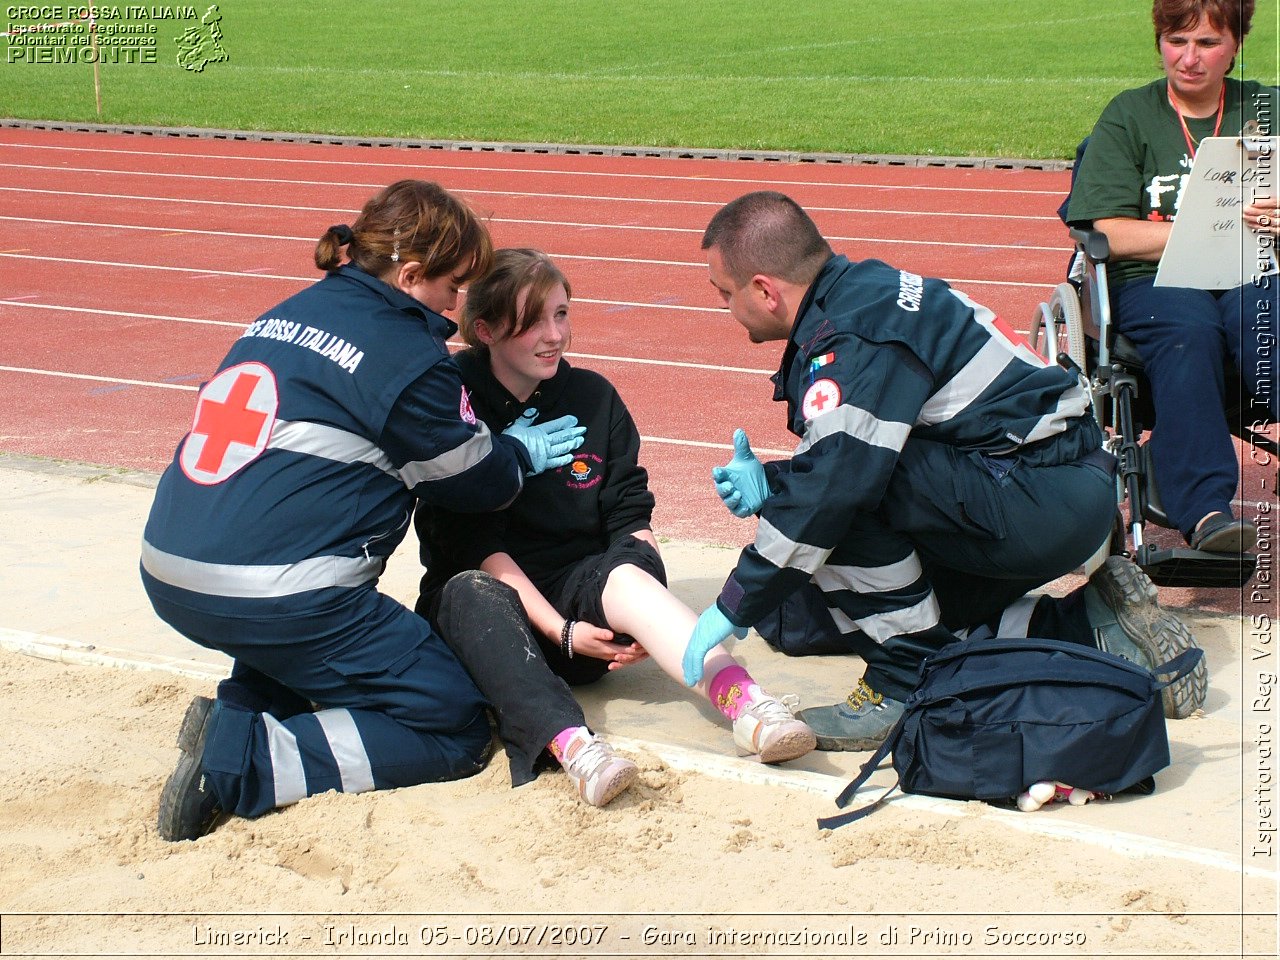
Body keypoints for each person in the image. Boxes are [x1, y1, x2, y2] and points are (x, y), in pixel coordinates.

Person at [142, 180, 602, 841]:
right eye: (451, 287)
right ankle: (246, 760)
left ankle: (243, 708)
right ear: (411, 275)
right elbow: (477, 481)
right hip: (277, 591)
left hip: (173, 564)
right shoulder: (405, 355)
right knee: (453, 722)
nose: (455, 306)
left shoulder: (286, 311)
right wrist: (517, 454)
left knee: (303, 647)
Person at [683, 190, 1208, 752]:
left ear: (764, 290)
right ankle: (1091, 624)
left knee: (835, 512)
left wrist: (733, 601)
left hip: (1036, 496)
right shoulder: (863, 290)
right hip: (1048, 484)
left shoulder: (856, 333)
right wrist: (780, 495)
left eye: (725, 293)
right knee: (802, 621)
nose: (723, 307)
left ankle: (903, 683)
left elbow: (839, 485)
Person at [414, 248, 817, 771]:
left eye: (561, 314)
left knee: (630, 576)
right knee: (471, 591)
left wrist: (643, 608)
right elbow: (476, 545)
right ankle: (578, 750)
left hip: (584, 621)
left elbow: (630, 515)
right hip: (493, 614)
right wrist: (561, 631)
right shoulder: (452, 397)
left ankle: (750, 707)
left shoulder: (593, 397)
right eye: (533, 321)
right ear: (486, 329)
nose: (555, 335)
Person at [1065, 0, 1279, 554]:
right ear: (1160, 41)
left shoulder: (1267, 107)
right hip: (1153, 279)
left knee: (1264, 316)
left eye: (1207, 43)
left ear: (1234, 47)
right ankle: (1205, 511)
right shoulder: (1130, 116)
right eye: (1177, 41)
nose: (1189, 58)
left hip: (1251, 270)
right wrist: (1207, 228)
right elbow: (1106, 230)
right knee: (1189, 328)